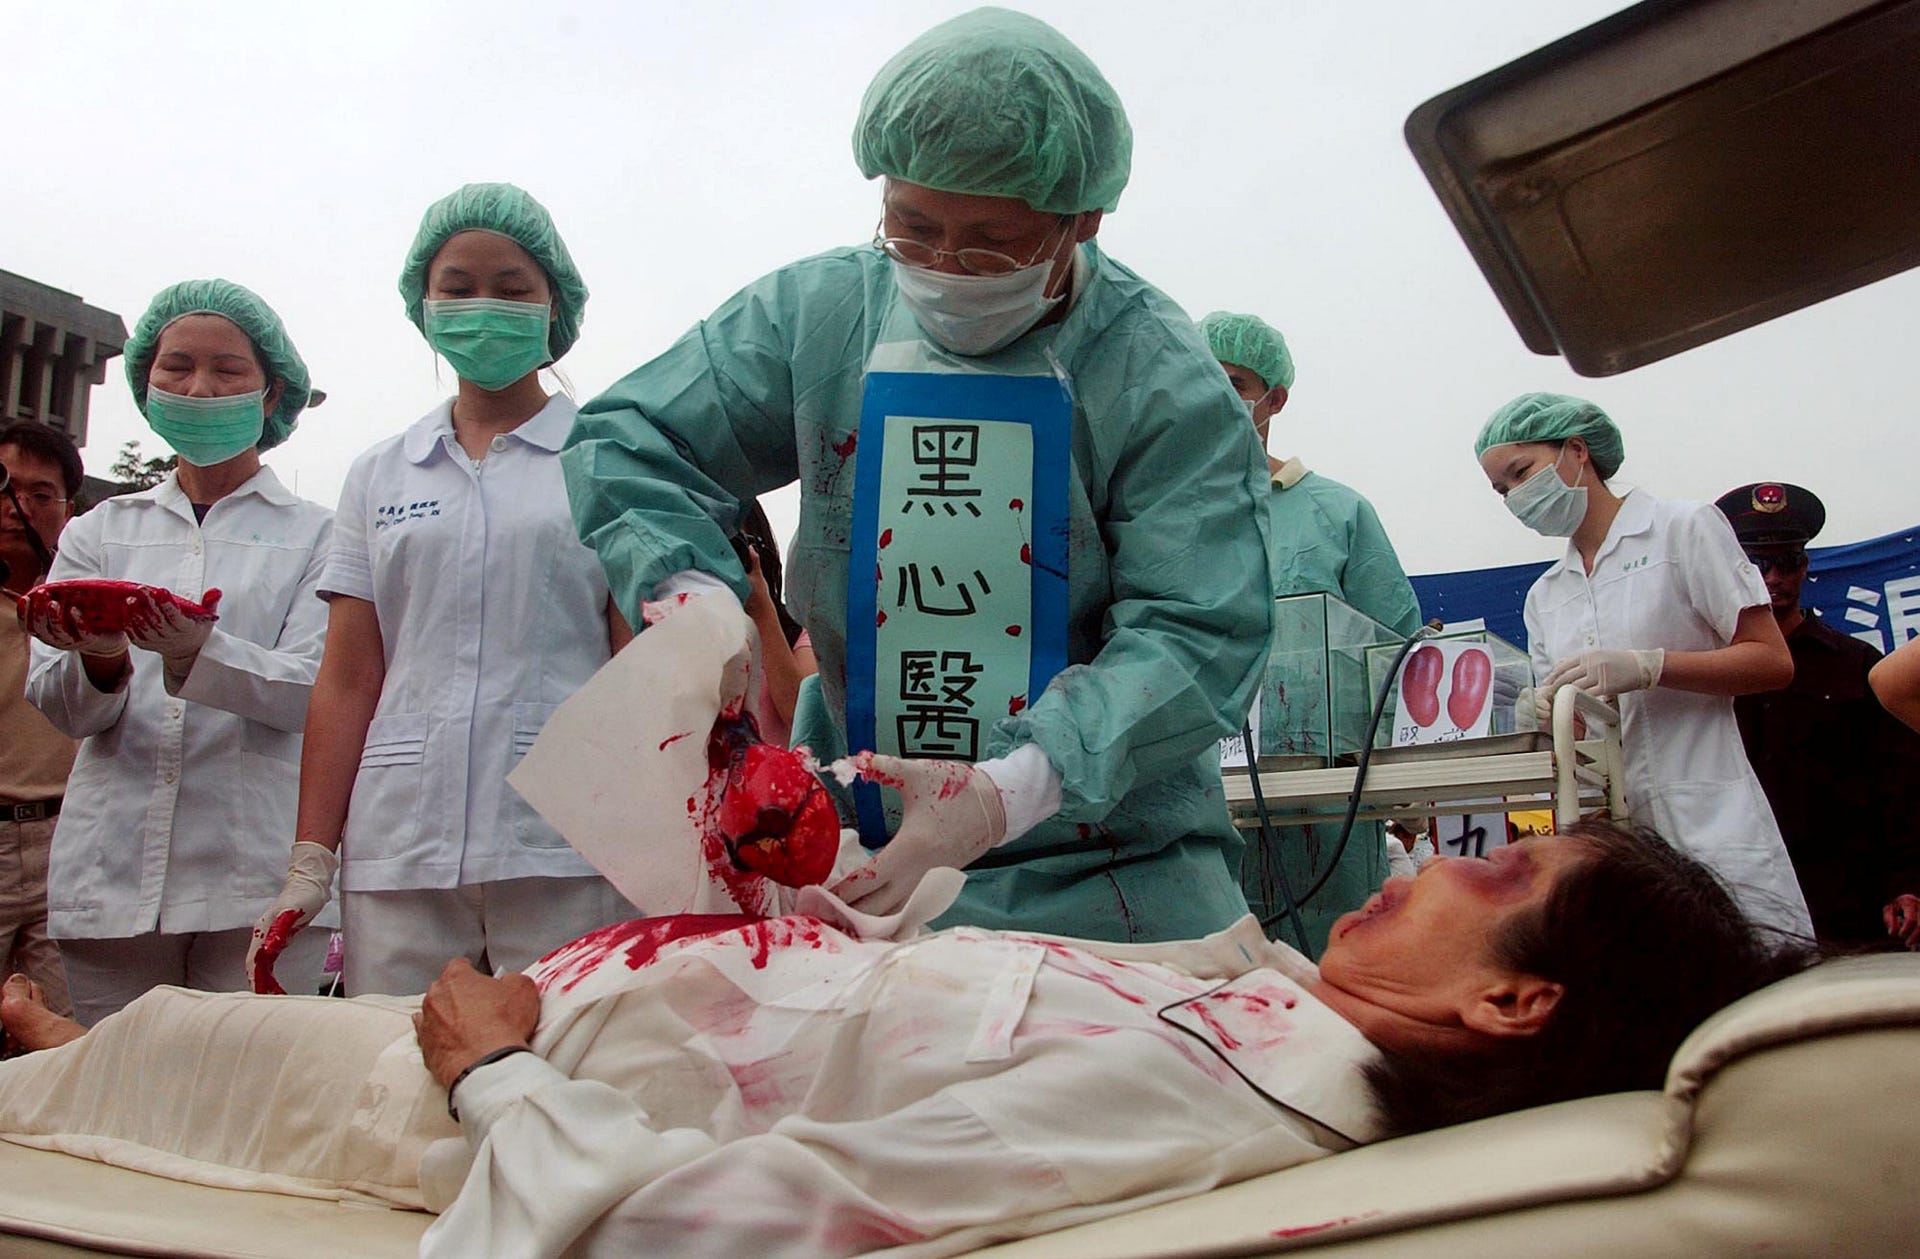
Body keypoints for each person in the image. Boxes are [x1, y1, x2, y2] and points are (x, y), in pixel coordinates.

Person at [0, 821, 1806, 1258]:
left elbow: (702, 1226)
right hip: (567, 1007)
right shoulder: (1263, 1006)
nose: (1424, 854)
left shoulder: (1231, 1080)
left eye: (1486, 862)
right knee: (112, 1037)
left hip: (472, 1080)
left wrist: (494, 1071)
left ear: (1513, 998)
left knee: (141, 1048)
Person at [563, 9, 1273, 943]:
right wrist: (692, 597)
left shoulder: (1158, 378)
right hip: (859, 850)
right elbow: (629, 440)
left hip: (1110, 867)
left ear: (1082, 222)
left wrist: (1008, 790)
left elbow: (1198, 627)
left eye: (990, 244)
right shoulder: (820, 314)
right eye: (913, 225)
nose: (944, 268)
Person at [250, 184, 635, 998]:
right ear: (422, 305)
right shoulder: (379, 473)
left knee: (573, 1060)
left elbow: (631, 660)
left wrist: (655, 826)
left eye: (511, 286)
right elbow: (350, 676)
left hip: (565, 836)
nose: (482, 306)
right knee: (389, 1074)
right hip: (400, 838)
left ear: (554, 305)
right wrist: (312, 855)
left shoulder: (605, 457)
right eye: (457, 287)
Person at [19, 281, 334, 1023]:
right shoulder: (98, 530)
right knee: (113, 1094)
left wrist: (201, 651)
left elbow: (317, 690)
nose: (200, 386)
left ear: (270, 391)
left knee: (248, 1094)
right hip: (112, 874)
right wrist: (99, 657)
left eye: (227, 369)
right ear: (145, 383)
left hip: (254, 869)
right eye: (177, 367)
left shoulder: (321, 534)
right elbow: (59, 706)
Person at [1473, 393, 1811, 937]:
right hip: (1619, 842)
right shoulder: (1546, 595)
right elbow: (1579, 742)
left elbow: (1771, 662)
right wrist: (1547, 717)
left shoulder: (1683, 529)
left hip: (1710, 816)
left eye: (1521, 471)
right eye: (1501, 490)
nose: (1515, 496)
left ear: (1577, 450)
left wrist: (1652, 667)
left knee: (1756, 982)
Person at [1200, 310, 1420, 952]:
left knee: (1337, 969)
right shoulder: (1158, 511)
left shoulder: (1338, 512)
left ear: (1275, 398)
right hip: (1201, 792)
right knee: (1207, 984)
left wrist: (1392, 775)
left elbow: (1395, 652)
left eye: (1236, 382)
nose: (1216, 394)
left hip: (1326, 796)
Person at [1716, 482, 1920, 948]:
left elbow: (1902, 782)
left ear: (1805, 568)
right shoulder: (1712, 671)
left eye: (1787, 563)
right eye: (1757, 564)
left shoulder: (1856, 664)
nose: (1773, 578)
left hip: (1851, 899)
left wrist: (1908, 881)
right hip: (1743, 897)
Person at [0, 421, 84, 1016]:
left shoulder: (91, 601)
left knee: (59, 1045)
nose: (18, 508)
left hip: (69, 843)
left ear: (67, 508)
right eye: (6, 490)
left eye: (40, 494)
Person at [734, 501, 816, 748]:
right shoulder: (686, 630)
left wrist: (762, 612)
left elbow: (801, 717)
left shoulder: (800, 635)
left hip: (777, 784)